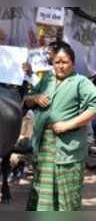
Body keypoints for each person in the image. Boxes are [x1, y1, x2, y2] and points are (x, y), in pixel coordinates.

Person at [24, 43, 96, 211]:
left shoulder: (80, 82)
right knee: (42, 190)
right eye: (57, 62)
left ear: (73, 63)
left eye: (65, 62)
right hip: (44, 144)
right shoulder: (47, 79)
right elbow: (27, 98)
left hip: (68, 147)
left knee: (66, 196)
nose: (60, 66)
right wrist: (35, 98)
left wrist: (68, 124)